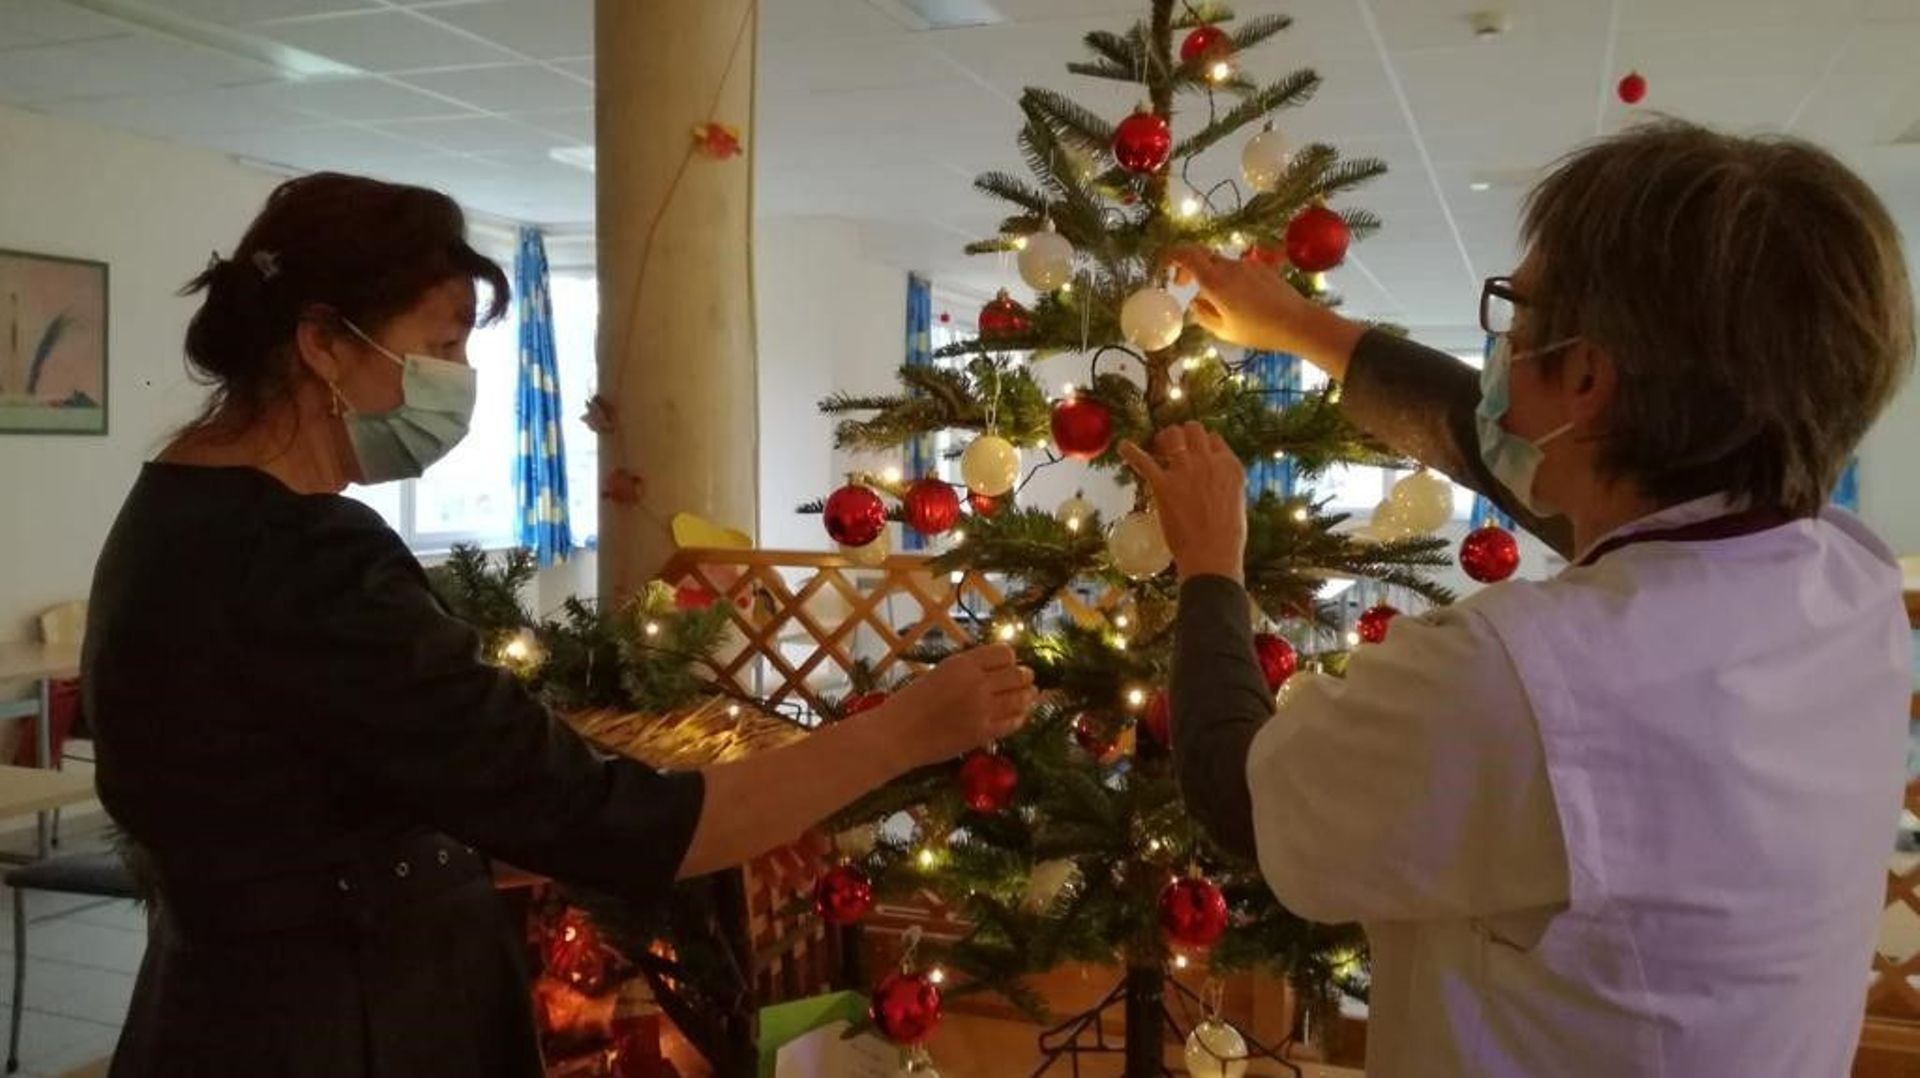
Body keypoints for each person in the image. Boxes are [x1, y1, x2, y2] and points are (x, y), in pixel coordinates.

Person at [83, 172, 1037, 1077]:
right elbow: (615, 825)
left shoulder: (171, 510)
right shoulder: (309, 558)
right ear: (324, 341)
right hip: (344, 1027)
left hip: (215, 1009)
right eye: (444, 344)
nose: (458, 380)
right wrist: (906, 731)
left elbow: (351, 785)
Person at [1121, 120, 1916, 1076]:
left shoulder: (1514, 679)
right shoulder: (1847, 580)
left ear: (1586, 375)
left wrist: (1211, 563)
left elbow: (1240, 789)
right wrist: (1304, 330)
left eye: (1517, 312)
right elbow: (1531, 473)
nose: (1502, 350)